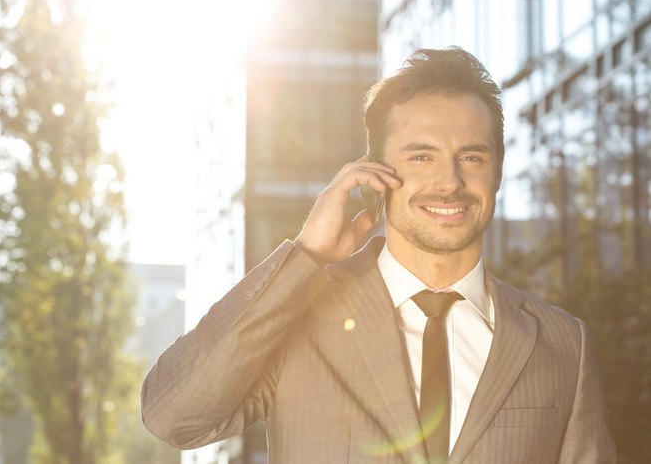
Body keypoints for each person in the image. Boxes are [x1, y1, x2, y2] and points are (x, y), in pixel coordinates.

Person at [141, 47, 616, 463]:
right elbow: (174, 417)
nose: (449, 181)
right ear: (376, 172)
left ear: (497, 172)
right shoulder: (296, 317)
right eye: (421, 156)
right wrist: (306, 255)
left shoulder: (563, 345)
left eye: (472, 157)